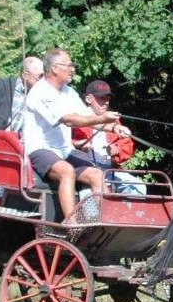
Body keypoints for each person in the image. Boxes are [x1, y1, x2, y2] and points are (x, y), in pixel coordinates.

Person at [22, 48, 131, 220]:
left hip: (64, 151)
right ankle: (71, 224)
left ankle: (109, 221)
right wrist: (104, 118)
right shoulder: (40, 92)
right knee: (67, 172)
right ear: (55, 68)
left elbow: (88, 117)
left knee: (97, 174)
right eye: (69, 65)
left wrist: (114, 128)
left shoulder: (69, 92)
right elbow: (70, 120)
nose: (73, 69)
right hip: (41, 149)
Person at [0, 56, 44, 193]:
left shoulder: (38, 97)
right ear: (25, 75)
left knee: (7, 191)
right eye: (39, 76)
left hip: (9, 150)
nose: (42, 81)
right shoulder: (0, 86)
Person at [73, 80, 146, 195]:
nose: (106, 102)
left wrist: (116, 152)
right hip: (85, 169)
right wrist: (79, 145)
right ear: (88, 99)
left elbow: (127, 145)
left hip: (109, 169)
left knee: (138, 188)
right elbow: (64, 142)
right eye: (101, 98)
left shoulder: (113, 119)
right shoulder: (77, 117)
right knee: (90, 197)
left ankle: (125, 213)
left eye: (108, 98)